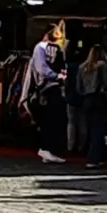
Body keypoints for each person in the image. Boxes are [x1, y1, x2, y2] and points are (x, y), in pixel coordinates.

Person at [29, 25, 66, 164]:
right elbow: (42, 68)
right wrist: (57, 76)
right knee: (51, 119)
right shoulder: (41, 48)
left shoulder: (53, 48)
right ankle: (46, 148)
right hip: (47, 87)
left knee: (53, 119)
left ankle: (49, 150)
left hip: (52, 85)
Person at [76, 46, 107, 168]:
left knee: (90, 128)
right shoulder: (102, 65)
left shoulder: (82, 67)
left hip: (87, 99)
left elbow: (78, 87)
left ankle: (91, 155)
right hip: (98, 98)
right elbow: (106, 83)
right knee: (99, 129)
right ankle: (94, 158)